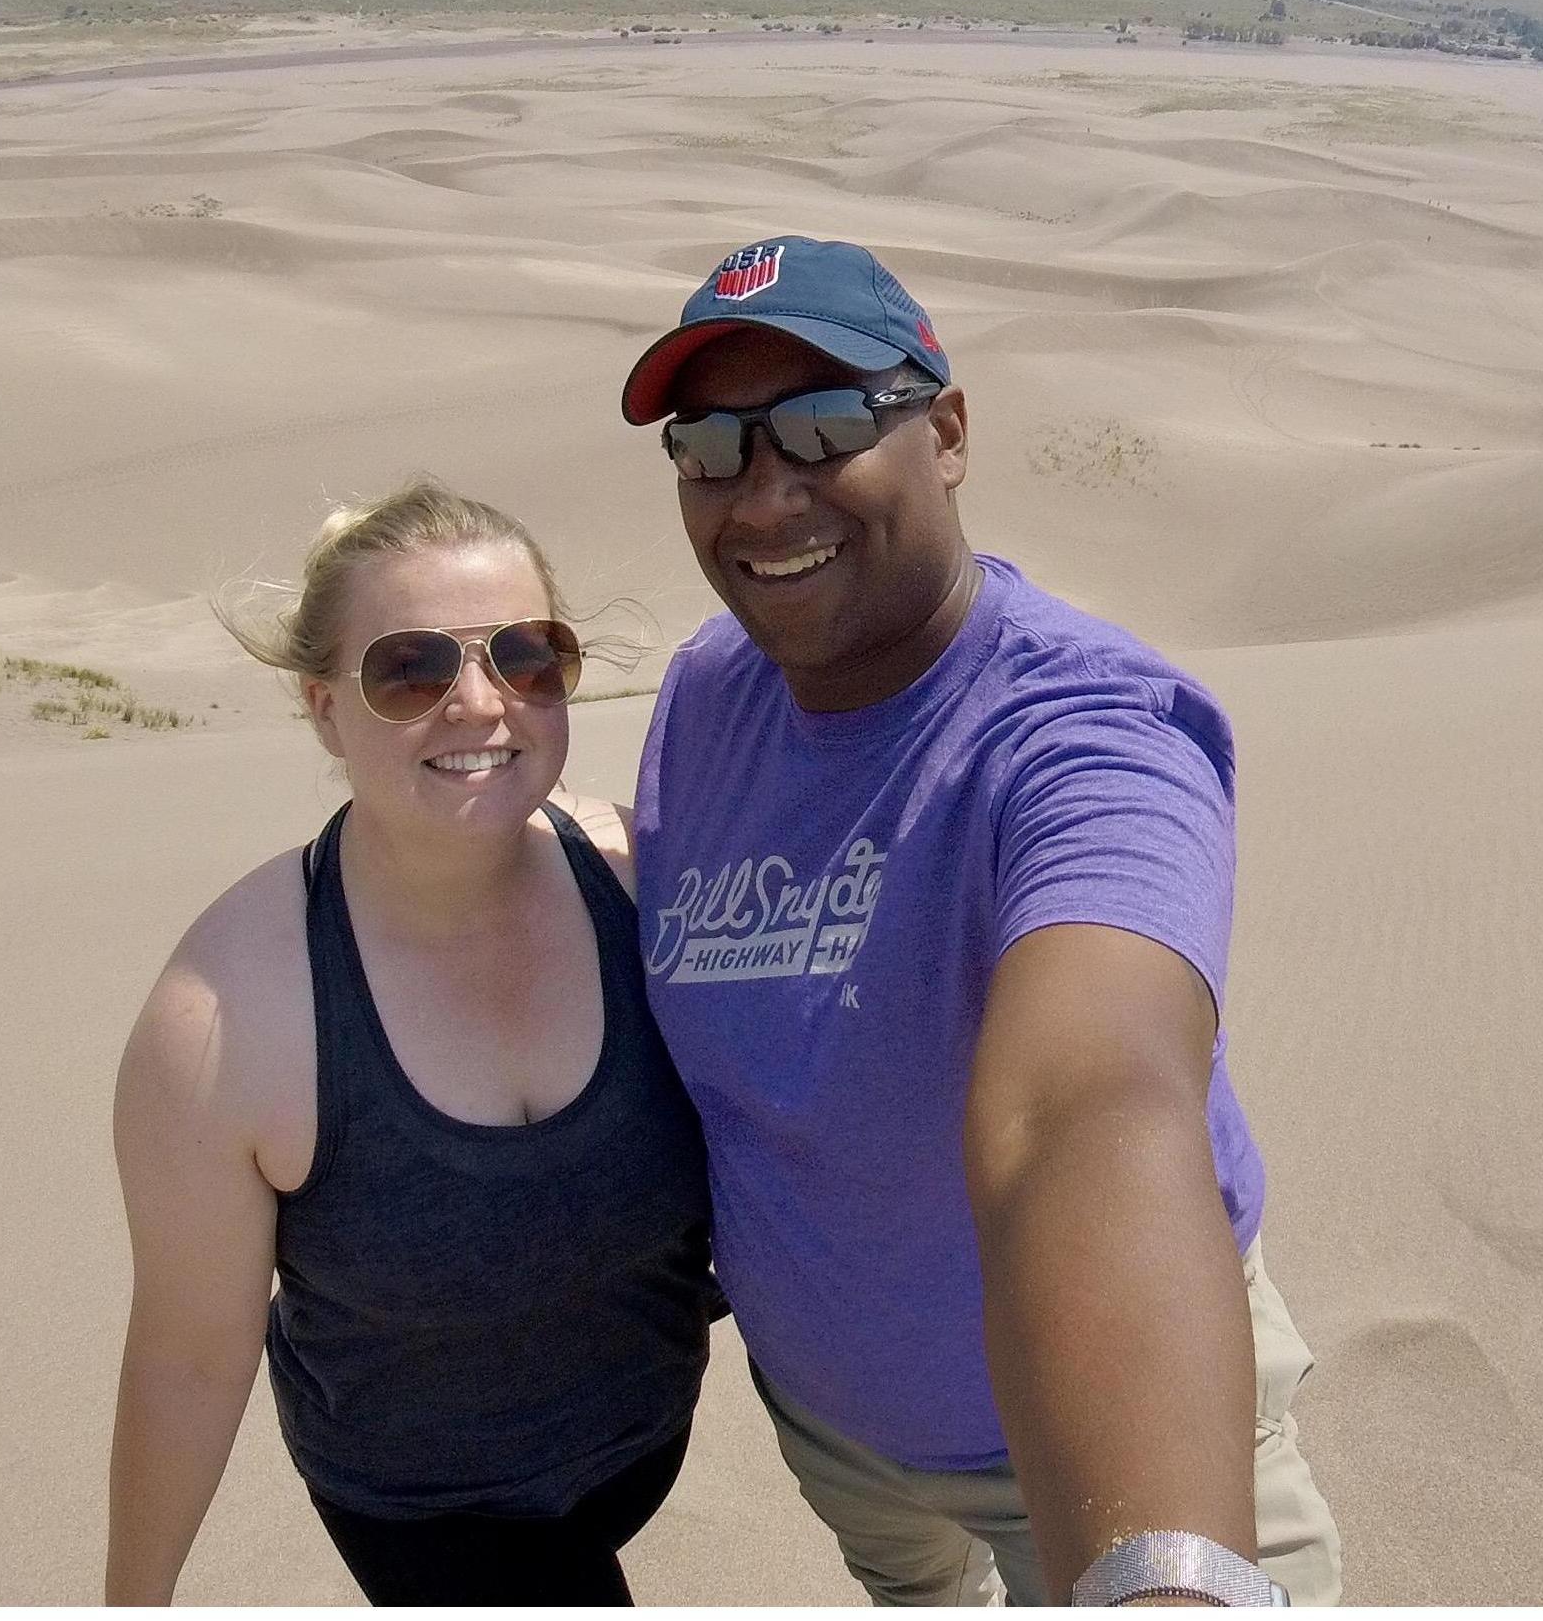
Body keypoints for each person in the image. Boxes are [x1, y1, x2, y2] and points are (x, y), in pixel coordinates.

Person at [619, 237, 1342, 1607]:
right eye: (709, 448)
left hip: (1089, 1458)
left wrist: (1163, 1576)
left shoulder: (1085, 736)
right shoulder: (711, 692)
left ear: (944, 432)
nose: (762, 497)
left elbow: (1089, 1106)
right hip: (836, 1441)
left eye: (824, 427)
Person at [105, 481, 717, 1607]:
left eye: (528, 655)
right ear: (326, 707)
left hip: (640, 1445)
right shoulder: (228, 1019)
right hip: (423, 1508)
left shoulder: (649, 887)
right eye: (411, 669)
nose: (482, 705)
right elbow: (189, 1360)